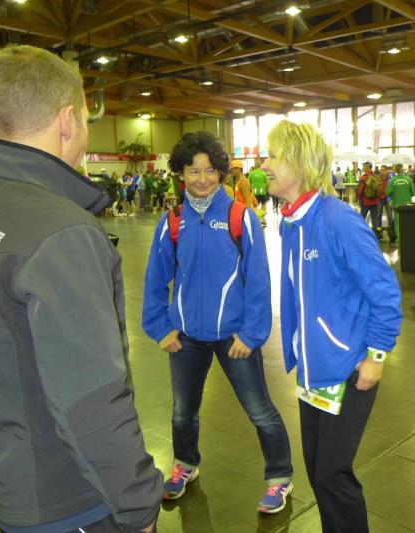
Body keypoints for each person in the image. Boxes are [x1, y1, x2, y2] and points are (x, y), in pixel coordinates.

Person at [0, 45, 161, 533]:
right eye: (86, 119)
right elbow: (92, 398)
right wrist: (137, 504)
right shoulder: (61, 232)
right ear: (68, 121)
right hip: (71, 498)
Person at [142, 131, 293, 512]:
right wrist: (160, 328)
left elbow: (259, 280)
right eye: (193, 171)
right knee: (182, 412)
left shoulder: (240, 217)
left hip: (234, 337)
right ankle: (185, 464)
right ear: (181, 173)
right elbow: (155, 278)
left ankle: (279, 477)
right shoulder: (173, 221)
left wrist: (252, 334)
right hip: (186, 337)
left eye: (210, 170)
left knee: (260, 411)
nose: (202, 179)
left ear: (221, 173)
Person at [263, 120, 402, 533]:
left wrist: (376, 356)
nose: (264, 165)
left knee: (332, 475)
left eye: (273, 156)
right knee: (318, 471)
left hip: (348, 369)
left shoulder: (339, 220)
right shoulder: (292, 223)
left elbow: (385, 292)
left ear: (299, 163)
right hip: (312, 370)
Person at [386, 162, 415, 242]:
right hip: (407, 204)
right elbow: (413, 192)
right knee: (407, 220)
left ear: (395, 170)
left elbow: (388, 193)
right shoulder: (408, 180)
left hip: (397, 204)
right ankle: (407, 237)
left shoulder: (392, 180)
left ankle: (399, 238)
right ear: (402, 169)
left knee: (398, 222)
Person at [358, 161, 381, 235]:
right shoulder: (376, 177)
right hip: (375, 201)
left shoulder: (364, 177)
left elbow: (360, 191)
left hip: (365, 202)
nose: (363, 167)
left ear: (367, 167)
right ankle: (375, 234)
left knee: (361, 219)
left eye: (364, 166)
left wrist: (359, 198)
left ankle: (361, 234)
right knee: (374, 219)